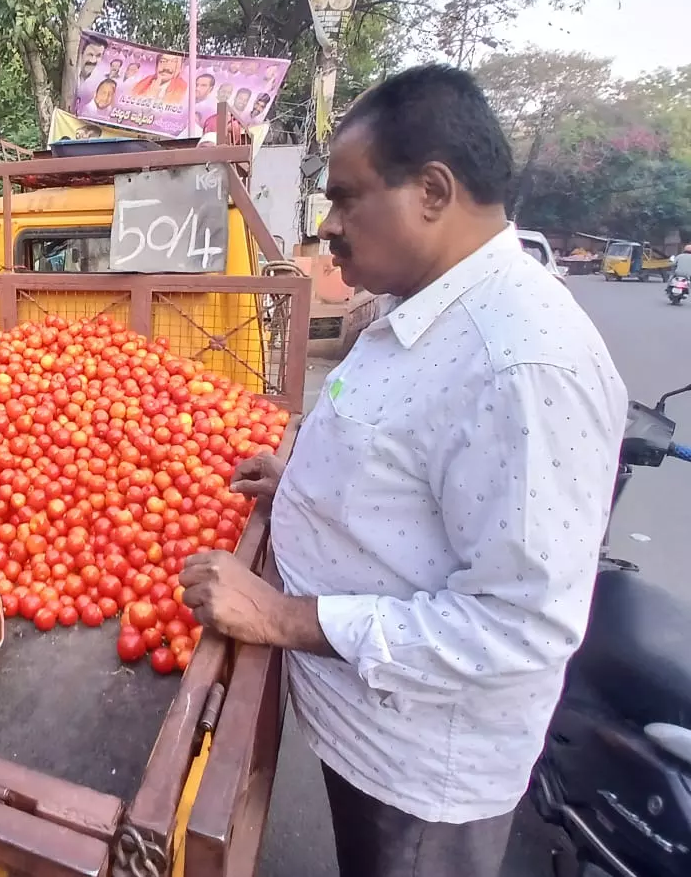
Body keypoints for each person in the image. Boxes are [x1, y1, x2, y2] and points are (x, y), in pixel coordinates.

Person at [180, 65, 626, 877]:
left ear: (431, 190)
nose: (329, 228)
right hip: (367, 727)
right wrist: (305, 484)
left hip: (421, 776)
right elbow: (413, 468)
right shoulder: (420, 308)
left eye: (347, 198)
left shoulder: (520, 365)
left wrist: (280, 618)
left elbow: (517, 626)